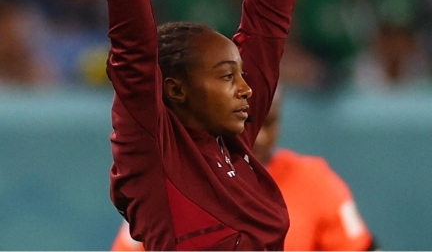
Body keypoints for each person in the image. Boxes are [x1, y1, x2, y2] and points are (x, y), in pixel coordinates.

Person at [103, 0, 325, 251]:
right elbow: (132, 48)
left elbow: (267, 26)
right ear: (175, 89)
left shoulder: (235, 143)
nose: (245, 88)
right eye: (227, 76)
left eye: (239, 74)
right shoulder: (152, 153)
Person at [111, 87, 379, 251]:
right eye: (248, 122)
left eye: (270, 123)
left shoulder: (314, 181)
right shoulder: (169, 185)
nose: (260, 138)